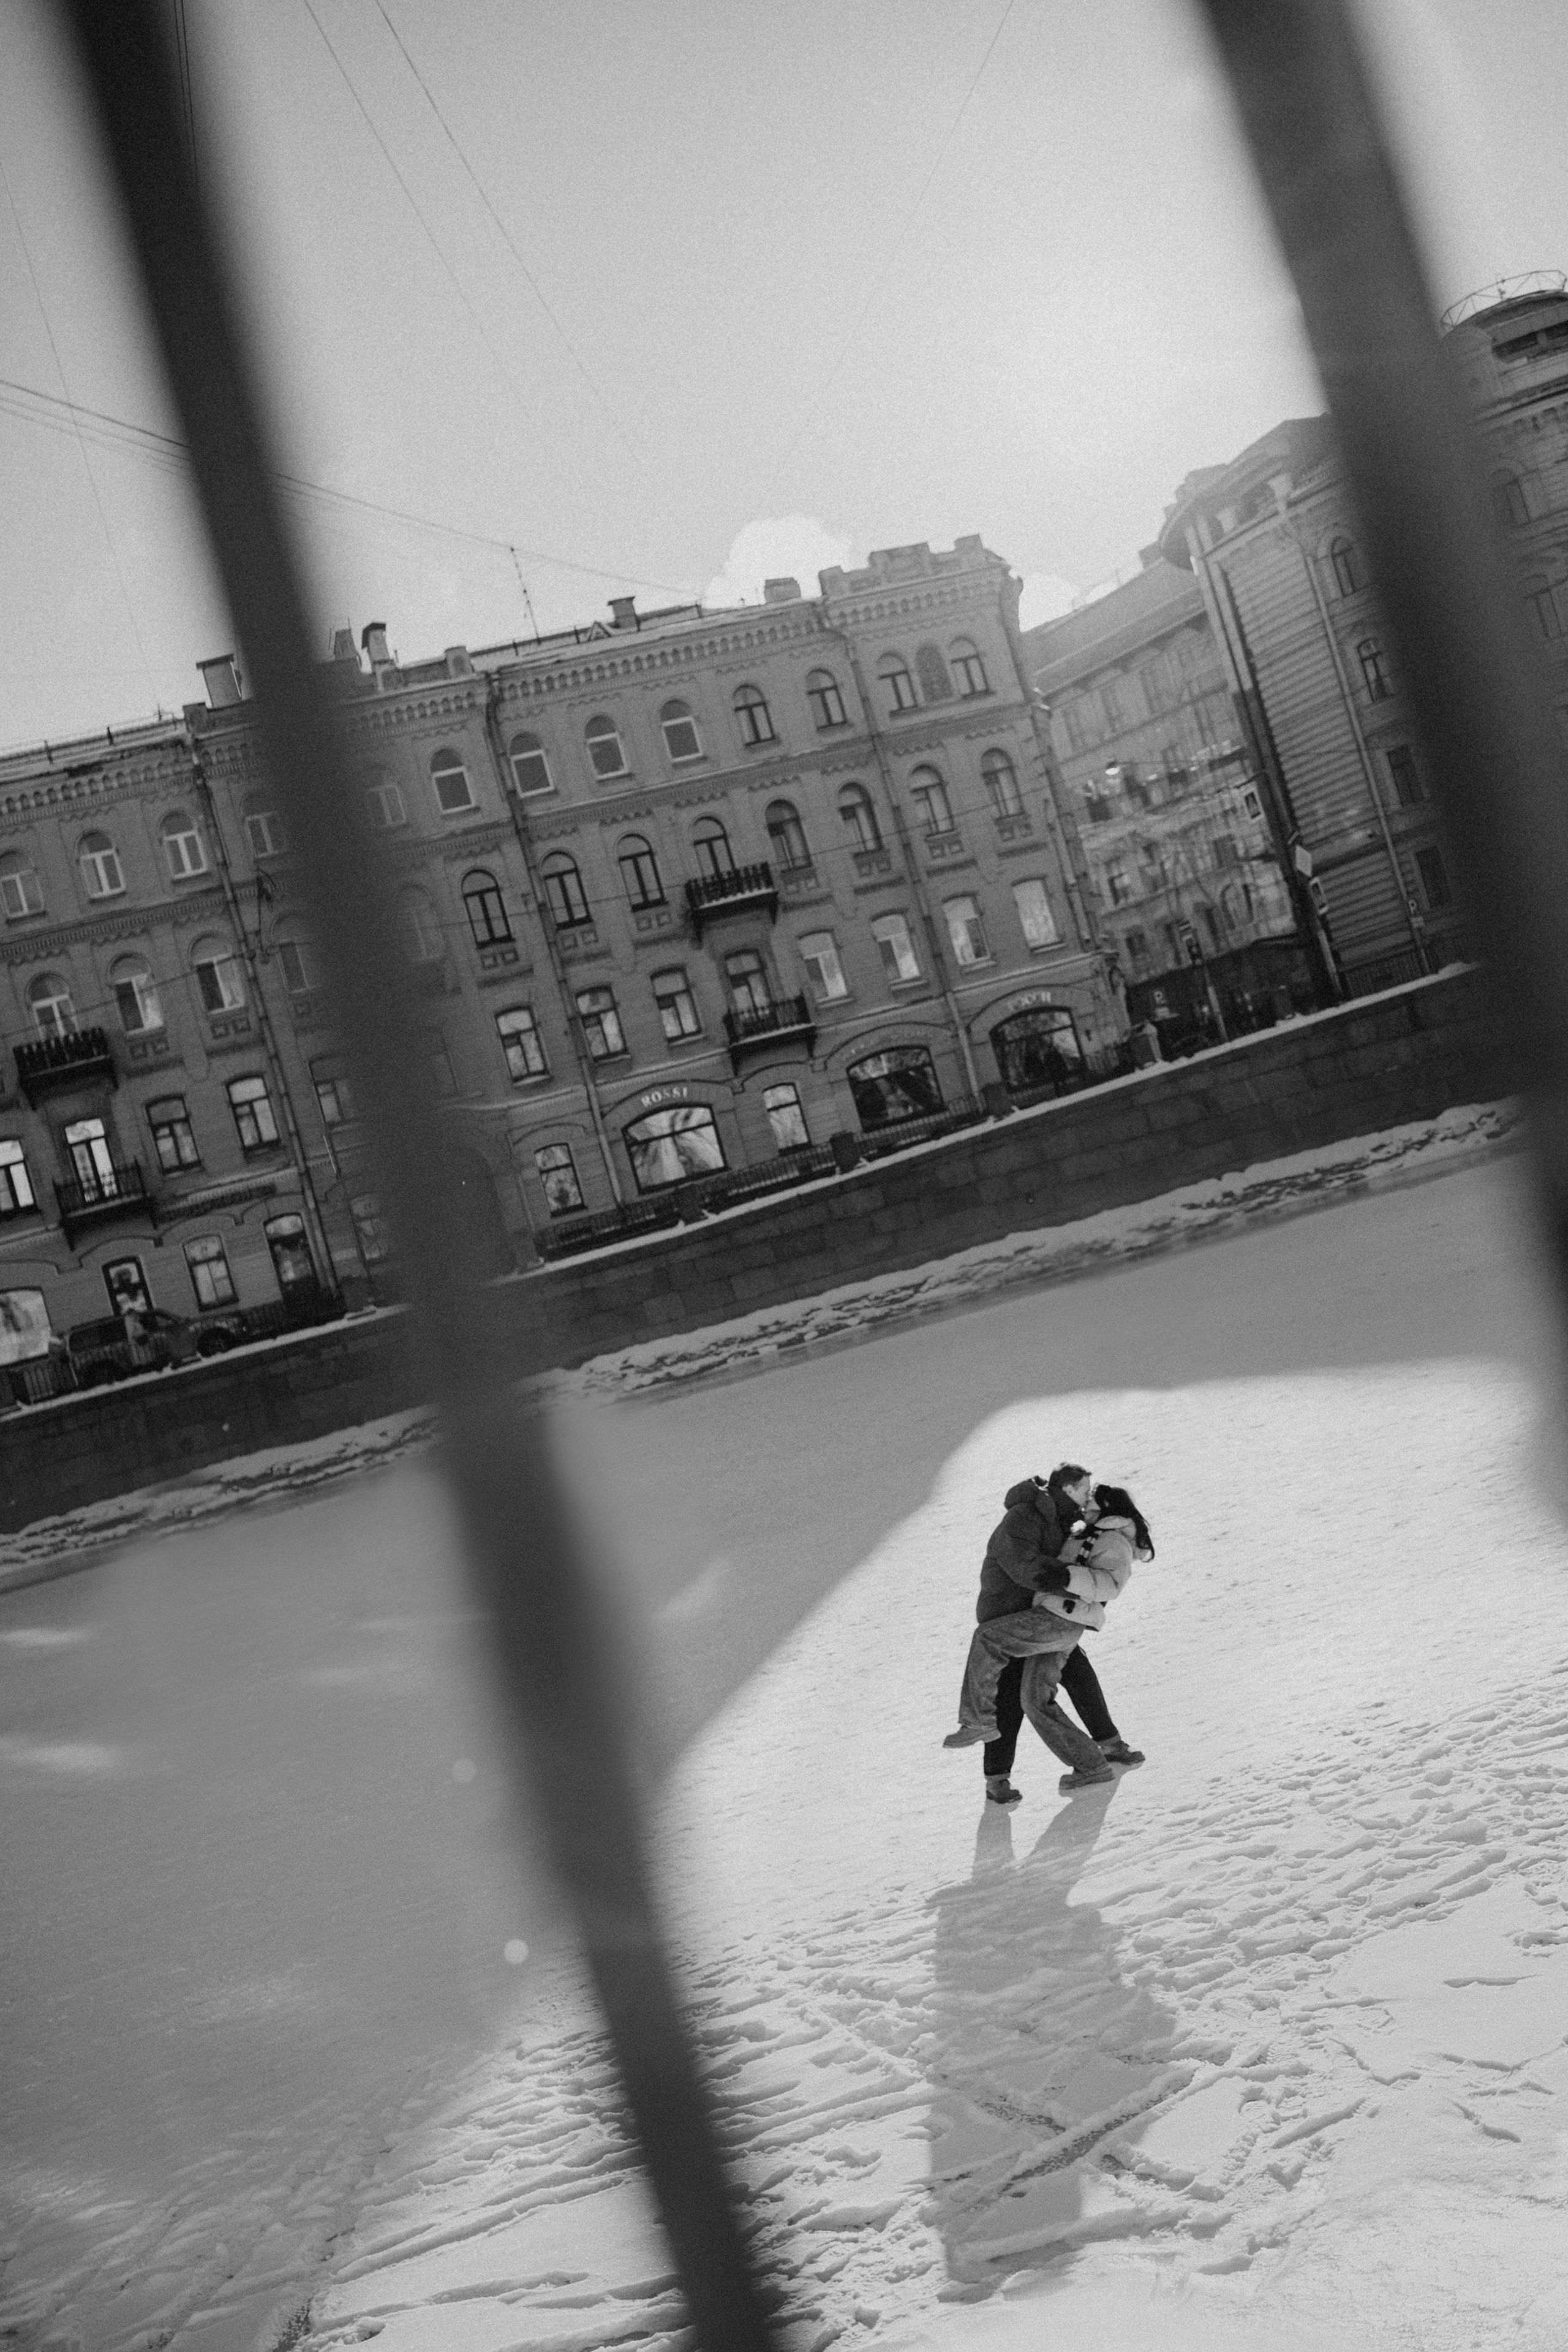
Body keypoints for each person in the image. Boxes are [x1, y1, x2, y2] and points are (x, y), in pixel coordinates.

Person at [944, 1476, 1155, 1797]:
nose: (1085, 1505)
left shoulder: (1110, 1539)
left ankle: (984, 1738)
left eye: (1090, 1499)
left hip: (1054, 1619)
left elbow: (1109, 1585)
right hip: (1037, 1615)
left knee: (1000, 1654)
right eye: (1083, 1495)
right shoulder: (1053, 1522)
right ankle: (1091, 1764)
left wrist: (1066, 1577)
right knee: (1032, 1699)